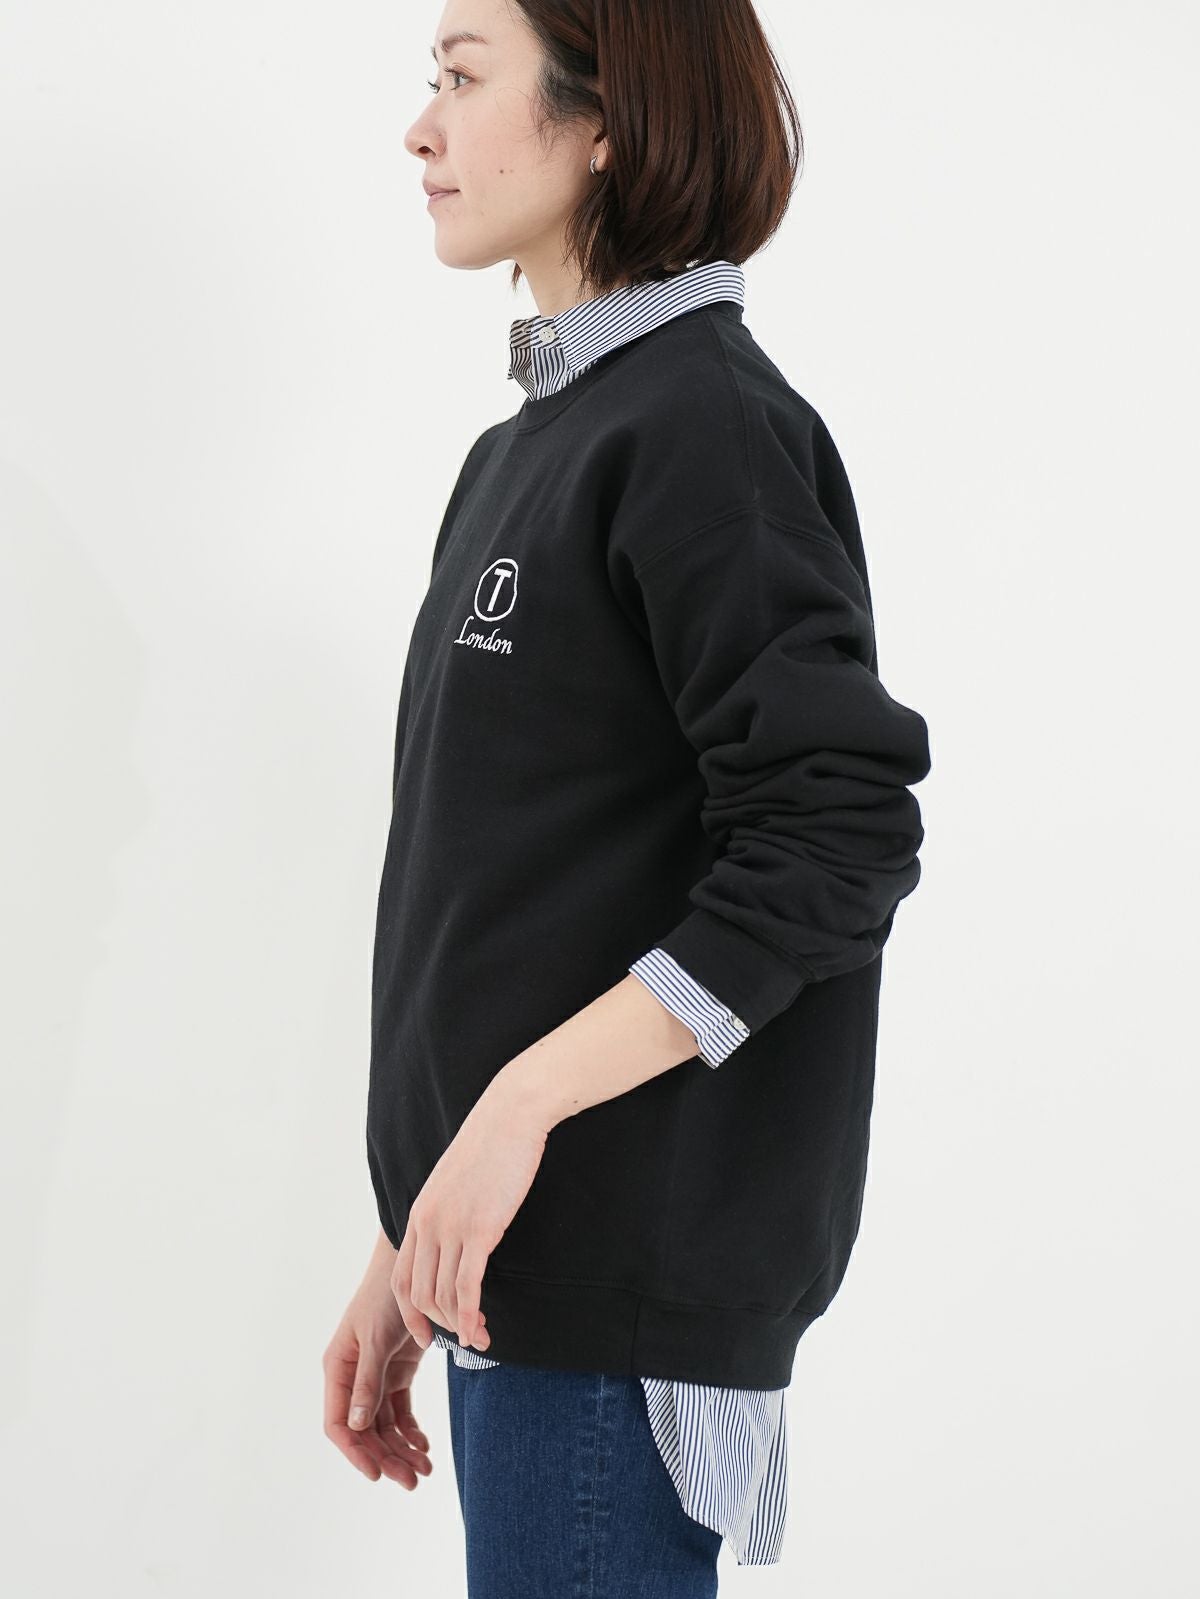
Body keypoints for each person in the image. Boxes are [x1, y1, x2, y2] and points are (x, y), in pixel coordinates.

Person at [322, 1, 933, 1592]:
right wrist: (411, 1227)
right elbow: (539, 885)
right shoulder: (528, 449)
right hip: (521, 1289)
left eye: (464, 78)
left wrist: (518, 1109)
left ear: (604, 120)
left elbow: (837, 829)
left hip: (617, 1316)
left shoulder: (704, 426)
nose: (421, 127)